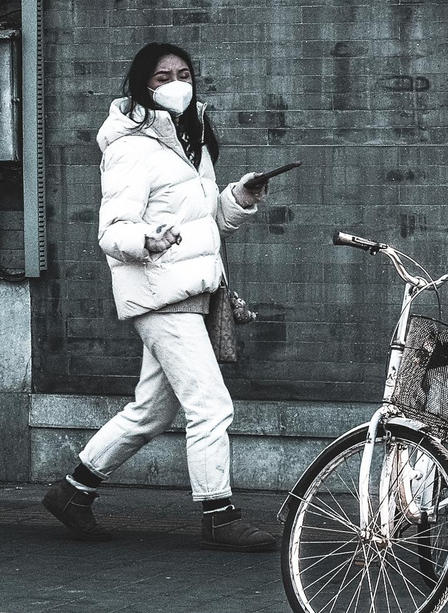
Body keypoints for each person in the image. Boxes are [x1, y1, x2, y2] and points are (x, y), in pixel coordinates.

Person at [42, 42, 279, 551]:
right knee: (211, 406)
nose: (176, 82)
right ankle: (219, 513)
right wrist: (144, 240)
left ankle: (73, 491)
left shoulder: (190, 143)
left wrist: (237, 200)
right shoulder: (130, 148)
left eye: (184, 73)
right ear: (141, 86)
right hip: (159, 293)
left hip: (189, 290)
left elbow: (206, 222)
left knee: (150, 412)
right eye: (161, 76)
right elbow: (111, 231)